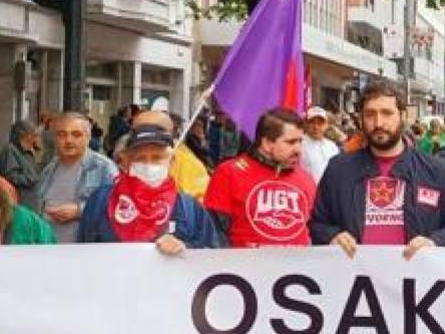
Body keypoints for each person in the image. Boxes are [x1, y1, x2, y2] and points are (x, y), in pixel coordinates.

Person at [311, 79, 445, 258]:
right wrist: (332, 236)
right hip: (355, 279)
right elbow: (317, 223)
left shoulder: (436, 170)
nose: (378, 123)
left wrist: (435, 241)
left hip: (415, 279)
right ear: (360, 119)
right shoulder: (338, 169)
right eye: (370, 114)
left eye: (387, 113)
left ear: (402, 116)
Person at [78, 125, 222, 253]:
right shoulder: (101, 201)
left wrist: (185, 248)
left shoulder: (188, 208)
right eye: (140, 158)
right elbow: (83, 254)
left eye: (157, 158)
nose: (148, 164)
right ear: (127, 161)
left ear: (171, 162)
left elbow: (211, 255)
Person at [204, 107, 316, 247]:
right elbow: (214, 232)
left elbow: (315, 227)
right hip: (244, 266)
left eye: (300, 141)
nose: (298, 150)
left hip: (297, 267)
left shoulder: (306, 179)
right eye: (291, 142)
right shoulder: (229, 173)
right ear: (267, 143)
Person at [33, 112, 119, 244]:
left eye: (76, 134)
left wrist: (80, 211)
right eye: (62, 134)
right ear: (54, 138)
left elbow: (118, 207)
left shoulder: (104, 167)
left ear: (88, 138)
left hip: (84, 251)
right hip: (49, 249)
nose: (68, 140)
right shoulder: (48, 170)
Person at [0, 119, 42, 207]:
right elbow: (10, 176)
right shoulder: (10, 150)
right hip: (20, 201)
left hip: (31, 201)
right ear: (22, 135)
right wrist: (32, 179)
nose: (34, 139)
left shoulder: (27, 150)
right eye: (32, 135)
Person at [301, 106, 341, 182]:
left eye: (320, 123)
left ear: (327, 125)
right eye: (312, 122)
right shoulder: (299, 145)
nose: (316, 127)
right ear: (306, 124)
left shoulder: (332, 146)